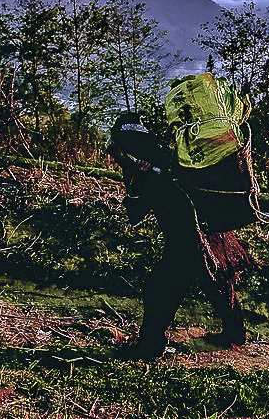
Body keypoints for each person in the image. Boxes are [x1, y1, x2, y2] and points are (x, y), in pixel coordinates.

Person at [108, 112, 254, 360]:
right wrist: (136, 176)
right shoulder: (163, 157)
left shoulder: (152, 164)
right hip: (210, 234)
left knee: (161, 288)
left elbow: (136, 213)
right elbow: (138, 210)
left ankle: (150, 346)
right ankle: (235, 334)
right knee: (216, 282)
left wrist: (137, 176)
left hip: (189, 239)